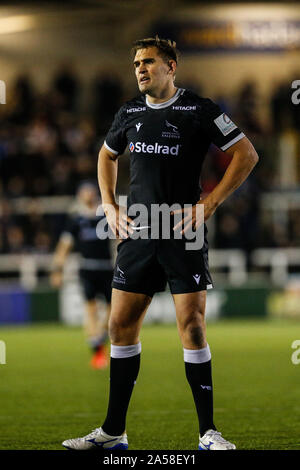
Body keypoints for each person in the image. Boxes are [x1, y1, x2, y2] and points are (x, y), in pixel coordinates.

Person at [62, 37, 258, 450]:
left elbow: (246, 154)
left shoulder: (199, 109)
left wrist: (210, 203)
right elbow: (105, 155)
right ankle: (113, 433)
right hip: (138, 231)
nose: (140, 69)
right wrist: (109, 206)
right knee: (119, 326)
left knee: (192, 326)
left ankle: (208, 433)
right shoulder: (129, 112)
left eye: (148, 61)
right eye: (136, 63)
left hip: (182, 231)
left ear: (171, 67)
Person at [50, 181, 113, 369]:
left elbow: (120, 239)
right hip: (87, 269)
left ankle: (100, 337)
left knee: (112, 312)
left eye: (91, 192)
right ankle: (98, 353)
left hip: (107, 268)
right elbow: (64, 247)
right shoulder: (76, 220)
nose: (88, 195)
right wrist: (57, 270)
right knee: (91, 309)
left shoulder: (106, 216)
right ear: (80, 196)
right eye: (85, 192)